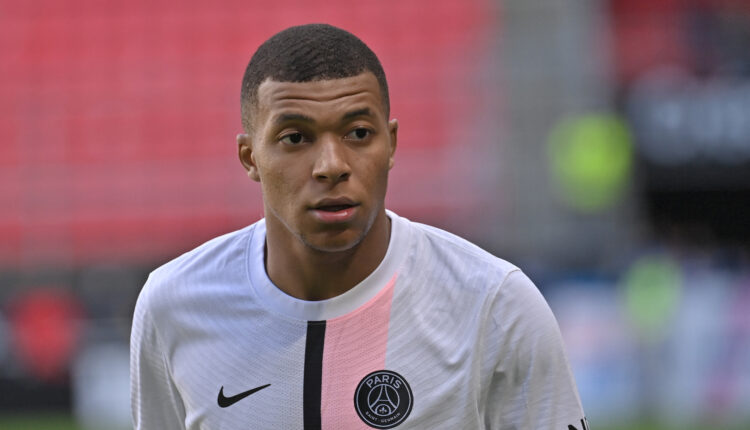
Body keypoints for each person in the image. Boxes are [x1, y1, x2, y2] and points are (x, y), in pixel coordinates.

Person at [130, 23, 587, 430]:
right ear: (250, 158)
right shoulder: (173, 305)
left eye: (359, 133)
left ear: (391, 144)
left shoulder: (495, 304)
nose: (332, 165)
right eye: (295, 138)